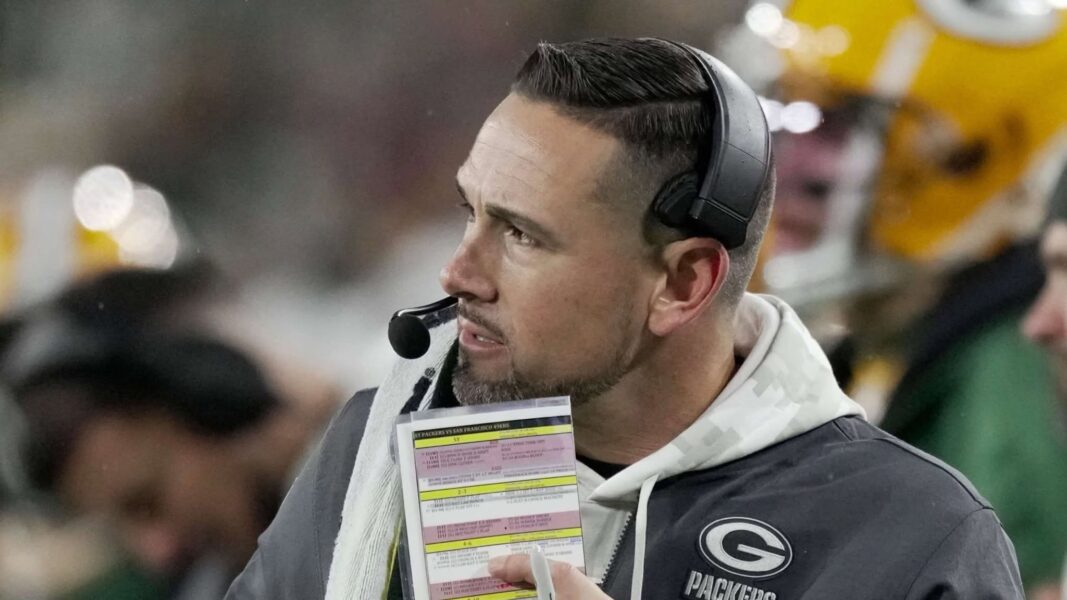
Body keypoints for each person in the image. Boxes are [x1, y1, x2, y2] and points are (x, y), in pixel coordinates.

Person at [227, 38, 1022, 599]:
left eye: (522, 235)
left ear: (682, 283)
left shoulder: (912, 538)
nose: (458, 272)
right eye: (469, 212)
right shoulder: (374, 450)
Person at [3, 265, 337, 599]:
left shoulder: (380, 451)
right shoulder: (218, 584)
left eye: (149, 502)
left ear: (211, 397)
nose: (157, 553)